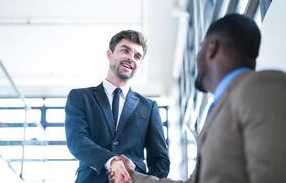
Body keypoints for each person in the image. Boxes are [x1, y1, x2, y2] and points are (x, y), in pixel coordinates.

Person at [110, 14, 286, 183]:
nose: (196, 57)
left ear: (211, 48)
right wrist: (133, 177)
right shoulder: (218, 112)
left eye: (200, 47)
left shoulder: (263, 87)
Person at [65, 30, 170, 183]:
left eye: (137, 56)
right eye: (125, 50)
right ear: (109, 53)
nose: (131, 58)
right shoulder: (80, 97)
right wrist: (111, 161)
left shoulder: (149, 107)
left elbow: (160, 159)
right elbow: (77, 140)